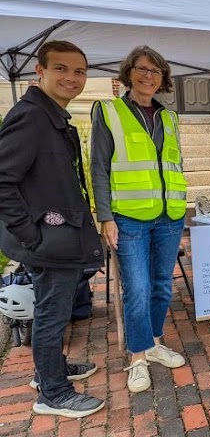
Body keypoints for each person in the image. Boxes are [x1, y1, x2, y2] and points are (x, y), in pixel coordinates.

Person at [0, 40, 105, 417]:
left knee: (54, 311)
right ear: (40, 71)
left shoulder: (50, 116)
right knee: (51, 314)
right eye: (61, 68)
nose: (71, 78)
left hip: (57, 237)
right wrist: (33, 236)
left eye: (79, 71)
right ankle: (53, 394)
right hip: (49, 241)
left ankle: (50, 371)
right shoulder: (31, 116)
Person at [91, 46, 188, 393]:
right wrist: (105, 216)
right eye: (142, 69)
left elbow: (175, 164)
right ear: (128, 73)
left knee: (162, 284)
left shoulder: (170, 117)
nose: (148, 76)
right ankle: (137, 357)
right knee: (137, 288)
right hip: (129, 217)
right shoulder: (109, 111)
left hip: (169, 215)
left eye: (155, 71)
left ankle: (155, 343)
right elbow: (98, 168)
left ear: (163, 78)